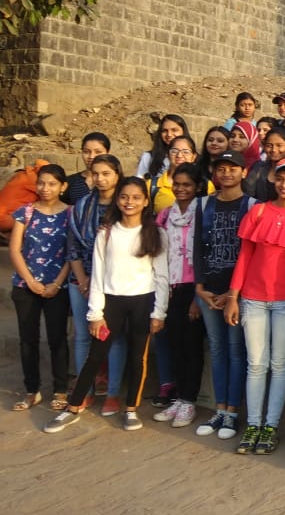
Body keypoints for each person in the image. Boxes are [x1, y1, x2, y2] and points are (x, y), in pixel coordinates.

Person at [45, 177, 170, 433]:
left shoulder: (155, 233)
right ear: (117, 199)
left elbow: (162, 276)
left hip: (142, 302)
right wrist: (95, 313)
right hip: (111, 302)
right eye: (124, 197)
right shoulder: (107, 233)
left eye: (136, 197)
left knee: (138, 358)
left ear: (146, 201)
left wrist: (159, 312)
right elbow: (99, 276)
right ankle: (73, 406)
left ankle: (131, 409)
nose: (129, 202)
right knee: (96, 355)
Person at [226, 157, 285, 455]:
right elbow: (245, 256)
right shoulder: (259, 211)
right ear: (273, 179)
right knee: (256, 364)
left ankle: (271, 426)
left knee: (279, 366)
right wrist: (233, 296)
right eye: (281, 178)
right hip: (253, 299)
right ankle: (253, 424)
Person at [194, 151, 255, 440]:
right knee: (217, 349)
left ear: (244, 172)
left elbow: (251, 254)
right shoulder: (203, 204)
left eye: (233, 168)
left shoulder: (253, 206)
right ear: (214, 173)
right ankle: (219, 408)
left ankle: (232, 412)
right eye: (221, 168)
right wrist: (199, 288)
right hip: (208, 290)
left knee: (235, 350)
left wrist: (234, 294)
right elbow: (197, 248)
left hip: (238, 292)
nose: (227, 173)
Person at [67, 154, 127, 416]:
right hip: (82, 280)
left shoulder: (126, 205)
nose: (101, 179)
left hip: (116, 283)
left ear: (117, 175)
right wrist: (83, 280)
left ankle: (112, 393)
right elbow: (73, 248)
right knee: (82, 337)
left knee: (115, 338)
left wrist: (102, 280)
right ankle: (85, 391)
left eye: (107, 173)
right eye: (96, 174)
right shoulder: (81, 207)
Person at [10, 164, 70, 413]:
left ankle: (60, 390)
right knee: (28, 340)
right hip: (26, 286)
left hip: (58, 286)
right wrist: (31, 281)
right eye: (42, 183)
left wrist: (56, 283)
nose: (46, 188)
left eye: (52, 184)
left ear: (63, 186)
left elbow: (72, 253)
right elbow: (14, 249)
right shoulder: (25, 212)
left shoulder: (71, 214)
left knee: (57, 339)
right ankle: (31, 390)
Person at [153, 164, 205, 428]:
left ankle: (189, 400)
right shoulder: (164, 216)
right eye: (178, 184)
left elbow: (203, 254)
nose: (181, 189)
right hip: (170, 286)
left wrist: (198, 295)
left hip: (194, 287)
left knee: (192, 347)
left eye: (187, 184)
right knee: (175, 345)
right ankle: (179, 398)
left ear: (197, 186)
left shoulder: (203, 212)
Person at [61, 132, 110, 206]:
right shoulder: (70, 182)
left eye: (98, 152)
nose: (91, 156)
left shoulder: (116, 183)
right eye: (86, 152)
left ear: (108, 153)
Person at [136, 114, 189, 179]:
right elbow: (139, 182)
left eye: (174, 130)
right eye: (165, 131)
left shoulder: (195, 158)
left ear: (183, 131)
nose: (169, 134)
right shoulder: (149, 157)